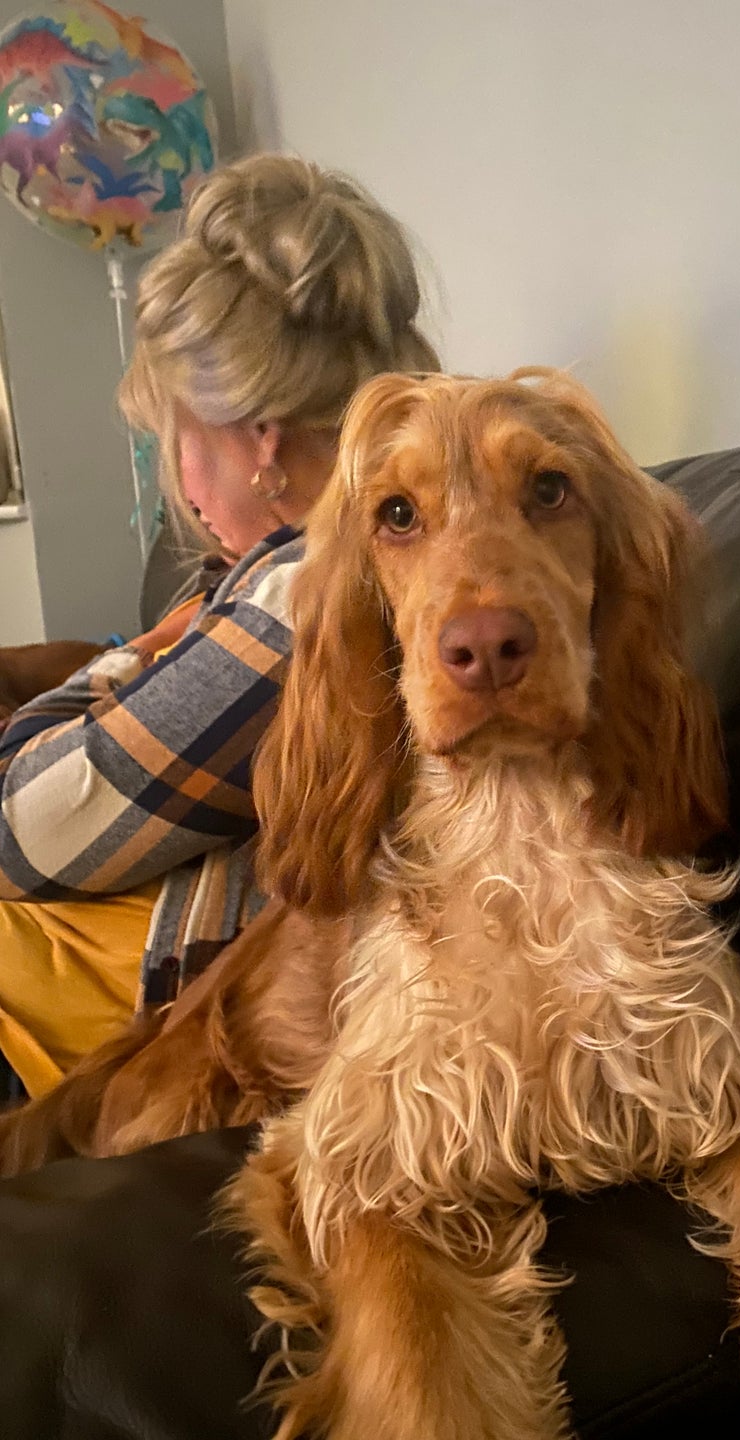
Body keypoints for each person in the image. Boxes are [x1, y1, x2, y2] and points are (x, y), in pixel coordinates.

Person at [0, 153, 439, 1098]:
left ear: (262, 440)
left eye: (174, 441)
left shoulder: (305, 589)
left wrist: (115, 668)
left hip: (150, 1020)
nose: (185, 491)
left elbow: (22, 833)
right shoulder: (386, 549)